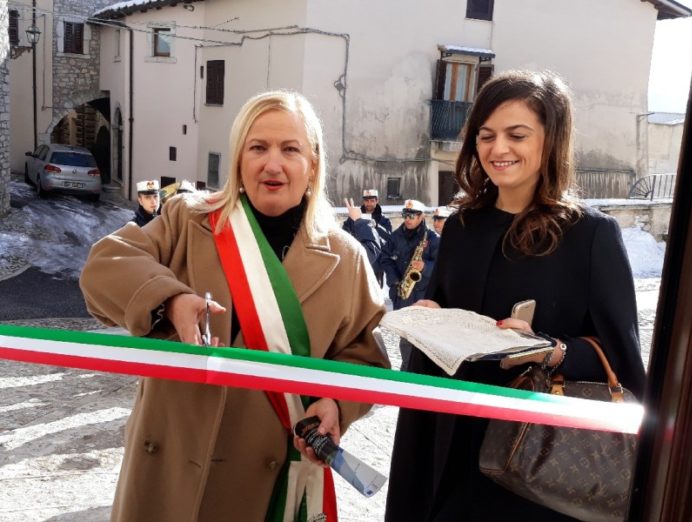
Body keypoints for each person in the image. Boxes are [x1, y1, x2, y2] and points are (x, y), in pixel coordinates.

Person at [80, 90, 390, 522]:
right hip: (169, 474)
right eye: (258, 147)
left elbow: (366, 358)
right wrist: (169, 299)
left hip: (265, 484)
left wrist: (336, 403)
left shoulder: (346, 258)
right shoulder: (187, 219)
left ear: (314, 162)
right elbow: (103, 267)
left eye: (290, 149)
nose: (272, 164)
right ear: (239, 158)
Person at [385, 70, 646, 521]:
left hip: (538, 466)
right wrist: (429, 320)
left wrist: (550, 351)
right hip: (451, 450)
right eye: (486, 136)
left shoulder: (590, 235)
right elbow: (441, 327)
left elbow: (621, 362)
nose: (498, 149)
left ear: (551, 140)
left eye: (517, 135)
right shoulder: (461, 226)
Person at [380, 199, 440, 369]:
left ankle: (423, 373)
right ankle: (406, 372)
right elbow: (384, 259)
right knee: (405, 341)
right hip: (403, 295)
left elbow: (442, 266)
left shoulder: (433, 239)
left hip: (424, 297)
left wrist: (425, 267)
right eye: (405, 215)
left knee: (424, 340)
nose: (407, 219)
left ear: (421, 217)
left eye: (412, 216)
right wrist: (394, 280)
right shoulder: (395, 237)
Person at [341, 197, 383, 283]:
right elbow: (345, 237)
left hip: (375, 267)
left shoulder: (383, 218)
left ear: (376, 201)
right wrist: (354, 220)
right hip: (358, 271)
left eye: (372, 201)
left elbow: (386, 240)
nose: (369, 203)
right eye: (367, 201)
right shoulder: (355, 216)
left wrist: (377, 227)